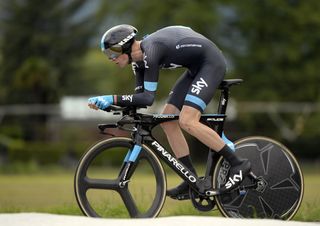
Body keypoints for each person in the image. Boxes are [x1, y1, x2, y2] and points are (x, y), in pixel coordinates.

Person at [88, 24, 251, 199]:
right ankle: (191, 179)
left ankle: (238, 163)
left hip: (211, 63)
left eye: (112, 52)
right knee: (167, 120)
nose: (111, 58)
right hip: (195, 69)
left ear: (126, 46)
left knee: (187, 120)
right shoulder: (138, 64)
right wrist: (110, 105)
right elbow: (139, 99)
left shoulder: (151, 51)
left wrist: (111, 98)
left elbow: (148, 98)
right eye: (107, 55)